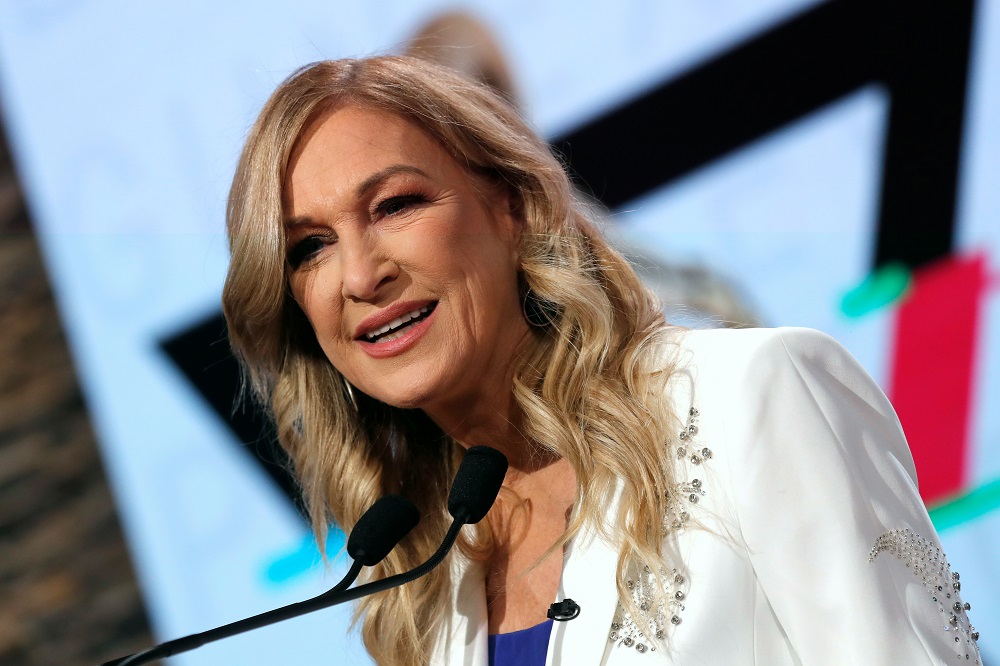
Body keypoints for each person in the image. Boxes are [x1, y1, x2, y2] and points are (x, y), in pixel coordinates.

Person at [221, 56, 980, 665]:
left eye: (396, 206)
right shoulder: (421, 571)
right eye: (310, 249)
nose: (359, 276)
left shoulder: (754, 393)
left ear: (510, 207)